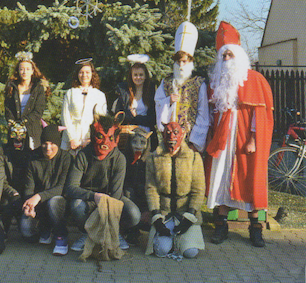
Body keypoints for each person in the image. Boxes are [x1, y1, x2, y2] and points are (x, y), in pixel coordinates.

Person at [205, 21, 274, 248]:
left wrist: (253, 138)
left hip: (245, 138)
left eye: (230, 55)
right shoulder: (216, 82)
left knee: (249, 178)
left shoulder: (253, 79)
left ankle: (255, 229)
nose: (226, 60)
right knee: (222, 178)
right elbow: (212, 113)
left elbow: (259, 114)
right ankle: (221, 226)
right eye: (223, 56)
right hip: (223, 139)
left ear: (239, 56)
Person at [64, 111, 141, 252]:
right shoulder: (83, 155)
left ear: (116, 139)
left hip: (110, 199)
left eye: (110, 138)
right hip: (88, 199)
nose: (105, 143)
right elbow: (71, 187)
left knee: (134, 214)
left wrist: (105, 204)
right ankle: (87, 233)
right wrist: (93, 196)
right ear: (93, 136)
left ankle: (114, 232)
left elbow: (116, 194)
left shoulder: (119, 159)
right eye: (100, 137)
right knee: (76, 206)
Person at [145, 121, 205, 259]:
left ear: (182, 135)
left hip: (185, 212)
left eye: (175, 133)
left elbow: (198, 190)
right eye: (167, 133)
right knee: (161, 250)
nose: (171, 137)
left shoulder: (194, 158)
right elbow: (151, 189)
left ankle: (181, 240)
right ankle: (170, 240)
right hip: (164, 213)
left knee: (190, 252)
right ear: (162, 135)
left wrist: (190, 216)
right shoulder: (153, 158)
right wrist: (156, 218)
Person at [154, 21, 209, 152]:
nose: (181, 65)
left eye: (184, 61)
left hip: (189, 141)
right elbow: (158, 103)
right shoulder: (166, 82)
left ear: (190, 61)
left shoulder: (198, 84)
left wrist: (195, 142)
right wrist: (168, 101)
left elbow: (203, 115)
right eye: (178, 62)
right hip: (169, 139)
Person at [20, 125, 72, 255]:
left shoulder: (66, 158)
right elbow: (28, 188)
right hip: (39, 205)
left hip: (59, 203)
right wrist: (29, 206)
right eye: (45, 143)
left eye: (52, 143)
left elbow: (62, 187)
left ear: (58, 144)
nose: (48, 148)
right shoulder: (33, 158)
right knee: (26, 231)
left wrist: (39, 196)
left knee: (54, 202)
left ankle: (61, 237)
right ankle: (45, 228)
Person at [4, 51, 48, 151]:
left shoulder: (38, 88)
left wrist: (23, 122)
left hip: (32, 129)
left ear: (32, 71)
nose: (25, 72)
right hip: (15, 130)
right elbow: (8, 108)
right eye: (22, 69)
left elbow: (38, 111)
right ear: (18, 71)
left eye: (28, 69)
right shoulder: (12, 87)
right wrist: (14, 124)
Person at [61, 58, 108, 153]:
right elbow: (65, 117)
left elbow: (100, 120)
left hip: (90, 141)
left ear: (92, 74)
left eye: (87, 72)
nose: (84, 75)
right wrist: (72, 138)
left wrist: (90, 138)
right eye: (81, 72)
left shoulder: (99, 95)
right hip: (71, 142)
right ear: (77, 74)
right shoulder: (70, 93)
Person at [112, 53, 157, 146]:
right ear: (131, 76)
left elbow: (154, 118)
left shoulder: (151, 92)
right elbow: (119, 114)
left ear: (145, 76)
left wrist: (136, 118)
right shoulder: (124, 92)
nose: (138, 77)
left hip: (146, 133)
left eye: (141, 75)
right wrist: (129, 116)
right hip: (128, 134)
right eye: (135, 75)